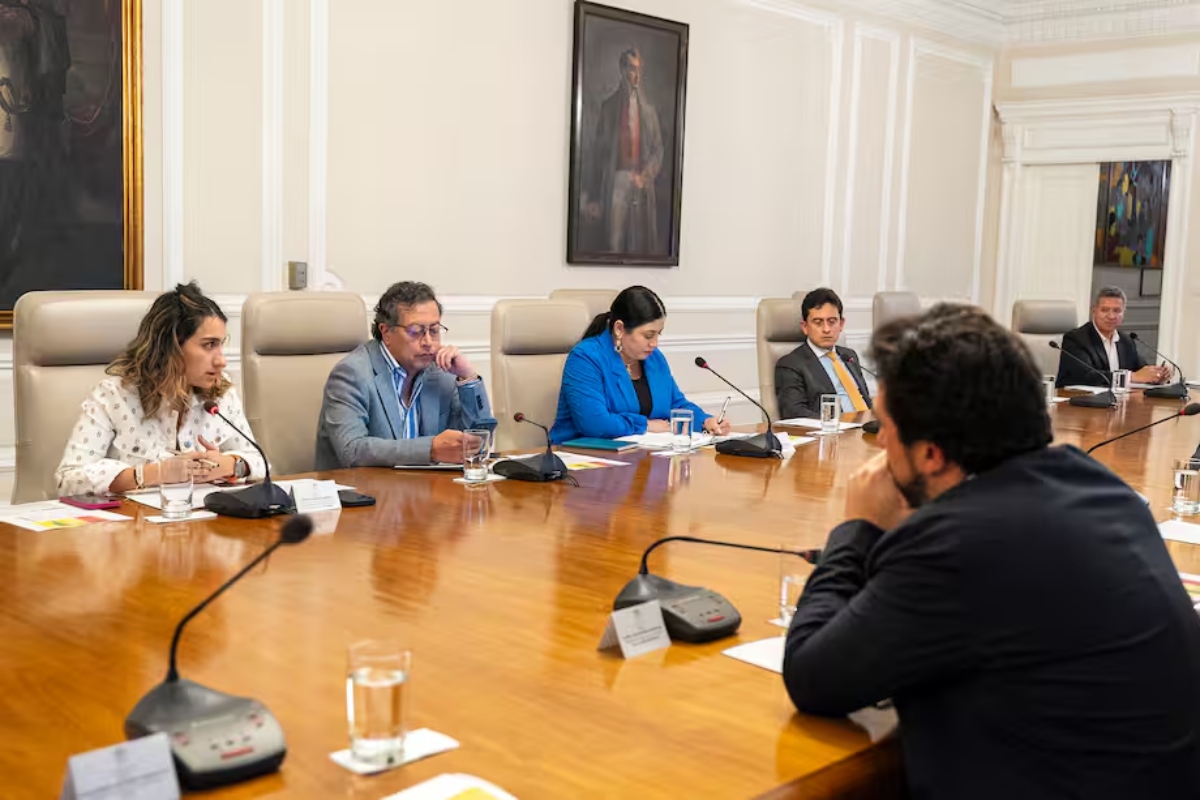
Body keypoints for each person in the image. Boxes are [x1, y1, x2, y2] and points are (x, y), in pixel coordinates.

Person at [782, 304, 1200, 799]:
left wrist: (857, 528)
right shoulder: (1102, 490)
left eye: (886, 430)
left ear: (932, 453)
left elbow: (813, 676)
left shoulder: (960, 543)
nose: (880, 449)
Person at [55, 282, 266, 496]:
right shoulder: (113, 396)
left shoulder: (221, 393)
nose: (221, 361)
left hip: (203, 522)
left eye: (221, 344)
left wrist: (231, 466)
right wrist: (156, 473)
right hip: (133, 524)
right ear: (171, 346)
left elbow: (260, 462)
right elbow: (68, 480)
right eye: (209, 345)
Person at [315, 281, 492, 468]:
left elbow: (478, 441)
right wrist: (430, 449)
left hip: (427, 491)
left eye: (434, 330)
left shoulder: (441, 370)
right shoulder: (352, 374)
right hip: (363, 492)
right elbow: (352, 450)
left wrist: (468, 379)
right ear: (386, 333)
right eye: (416, 331)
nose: (428, 342)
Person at [549, 286, 729, 443]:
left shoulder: (654, 358)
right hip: (583, 461)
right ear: (619, 329)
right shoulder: (586, 358)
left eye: (659, 334)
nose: (655, 343)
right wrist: (645, 425)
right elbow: (595, 424)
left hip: (639, 459)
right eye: (648, 336)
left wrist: (705, 421)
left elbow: (676, 404)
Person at [581, 47, 665, 256]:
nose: (635, 75)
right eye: (630, 68)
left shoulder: (649, 111)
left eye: (638, 69)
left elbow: (658, 151)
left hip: (641, 184)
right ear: (621, 69)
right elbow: (597, 155)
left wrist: (645, 176)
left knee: (639, 242)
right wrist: (592, 197)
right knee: (614, 241)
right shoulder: (608, 108)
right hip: (616, 180)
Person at [774, 288, 872, 419]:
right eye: (818, 322)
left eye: (832, 322)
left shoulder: (849, 356)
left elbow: (865, 400)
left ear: (841, 324)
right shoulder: (790, 364)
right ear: (805, 327)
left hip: (869, 429)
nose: (826, 329)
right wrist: (835, 423)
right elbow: (794, 413)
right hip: (834, 433)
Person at [1056, 285, 1170, 387]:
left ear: (1124, 312)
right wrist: (1131, 377)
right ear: (1094, 311)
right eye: (1105, 310)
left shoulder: (1126, 341)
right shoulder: (1076, 339)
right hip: (1078, 404)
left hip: (1116, 404)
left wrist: (1157, 375)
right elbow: (1085, 376)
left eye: (1117, 311)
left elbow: (1141, 370)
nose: (1111, 316)